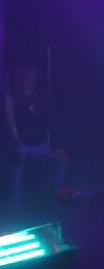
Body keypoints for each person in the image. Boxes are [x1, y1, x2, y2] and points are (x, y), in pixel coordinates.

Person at [4, 63, 68, 207]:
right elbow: (10, 120)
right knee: (17, 166)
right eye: (28, 76)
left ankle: (54, 194)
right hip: (21, 144)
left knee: (62, 161)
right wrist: (17, 142)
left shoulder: (41, 97)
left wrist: (56, 146)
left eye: (33, 76)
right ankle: (16, 202)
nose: (31, 79)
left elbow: (51, 121)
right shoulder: (14, 96)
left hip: (40, 144)